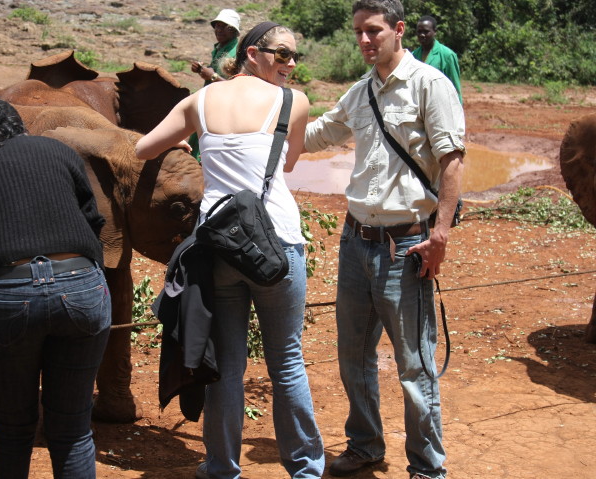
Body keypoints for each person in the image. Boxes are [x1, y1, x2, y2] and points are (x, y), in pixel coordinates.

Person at [136, 22, 324, 479]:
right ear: (252, 53)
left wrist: (186, 144)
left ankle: (221, 467)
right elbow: (289, 162)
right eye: (283, 54)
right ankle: (305, 470)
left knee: (227, 365)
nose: (291, 64)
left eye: (294, 56)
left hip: (219, 247)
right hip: (278, 243)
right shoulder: (293, 103)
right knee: (287, 361)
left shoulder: (198, 102)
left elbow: (142, 149)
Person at [303, 1, 465, 478]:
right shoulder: (360, 92)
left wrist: (440, 235)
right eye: (358, 31)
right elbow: (317, 134)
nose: (363, 40)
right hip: (355, 242)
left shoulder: (429, 85)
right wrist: (261, 112)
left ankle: (427, 467)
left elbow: (452, 161)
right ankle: (365, 446)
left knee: (414, 365)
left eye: (373, 30)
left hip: (407, 246)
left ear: (398, 30)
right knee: (353, 356)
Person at [0, 98, 111, 479]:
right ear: (21, 127)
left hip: (9, 297)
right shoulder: (58, 151)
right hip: (83, 289)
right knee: (73, 430)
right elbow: (93, 219)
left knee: (11, 431)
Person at [188, 8, 241, 161]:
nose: (218, 30)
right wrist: (202, 70)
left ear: (234, 31)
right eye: (217, 26)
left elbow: (238, 86)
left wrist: (213, 76)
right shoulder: (221, 48)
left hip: (224, 108)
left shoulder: (237, 53)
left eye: (224, 27)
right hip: (210, 103)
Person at [412, 15, 462, 103]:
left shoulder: (447, 55)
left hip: (441, 104)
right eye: (419, 32)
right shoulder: (413, 56)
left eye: (426, 32)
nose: (422, 35)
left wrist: (458, 108)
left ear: (435, 32)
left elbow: (455, 88)